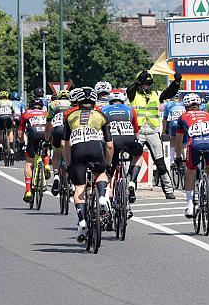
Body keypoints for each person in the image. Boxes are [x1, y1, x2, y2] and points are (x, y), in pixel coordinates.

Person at [61, 87, 113, 243]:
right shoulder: (100, 115)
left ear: (79, 103)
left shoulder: (70, 116)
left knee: (79, 188)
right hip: (95, 148)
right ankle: (103, 197)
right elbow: (109, 145)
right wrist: (108, 165)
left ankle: (82, 220)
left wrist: (69, 163)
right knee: (101, 174)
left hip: (77, 150)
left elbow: (64, 144)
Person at [126, 70, 182, 199]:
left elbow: (169, 92)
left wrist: (176, 83)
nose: (147, 86)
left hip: (152, 130)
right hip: (137, 131)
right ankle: (131, 186)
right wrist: (138, 81)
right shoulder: (133, 94)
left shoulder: (155, 94)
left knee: (160, 162)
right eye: (144, 83)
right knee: (135, 158)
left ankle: (168, 190)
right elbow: (129, 90)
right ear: (139, 83)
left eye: (149, 84)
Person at [175, 93, 209, 217]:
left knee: (190, 171)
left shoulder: (183, 116)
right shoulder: (208, 115)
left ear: (186, 106)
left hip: (194, 144)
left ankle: (189, 206)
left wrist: (178, 156)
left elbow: (178, 140)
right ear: (199, 105)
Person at [102, 90, 143, 203]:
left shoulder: (103, 110)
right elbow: (136, 131)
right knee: (139, 155)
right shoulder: (130, 110)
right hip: (129, 139)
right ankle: (132, 181)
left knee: (109, 172)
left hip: (113, 141)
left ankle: (109, 198)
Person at [20, 97, 48, 203]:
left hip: (33, 134)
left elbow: (20, 132)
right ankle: (46, 165)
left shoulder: (26, 113)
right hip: (45, 133)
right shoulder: (45, 113)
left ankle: (28, 190)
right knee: (46, 146)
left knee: (29, 162)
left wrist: (22, 143)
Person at [45, 89, 72, 196]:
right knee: (70, 152)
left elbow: (48, 124)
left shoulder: (53, 104)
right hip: (68, 130)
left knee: (56, 153)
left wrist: (47, 140)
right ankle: (71, 179)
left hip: (56, 130)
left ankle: (56, 175)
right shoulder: (72, 104)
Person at [162, 94, 186, 166]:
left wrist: (163, 132)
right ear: (180, 99)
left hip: (174, 123)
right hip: (183, 124)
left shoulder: (168, 104)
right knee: (184, 142)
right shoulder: (184, 104)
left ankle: (171, 159)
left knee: (172, 139)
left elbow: (165, 119)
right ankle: (185, 158)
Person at [0, 91, 15, 158]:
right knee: (10, 131)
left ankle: (0, 144)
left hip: (0, 117)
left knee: (0, 131)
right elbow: (13, 111)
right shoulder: (10, 102)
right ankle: (11, 148)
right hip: (8, 117)